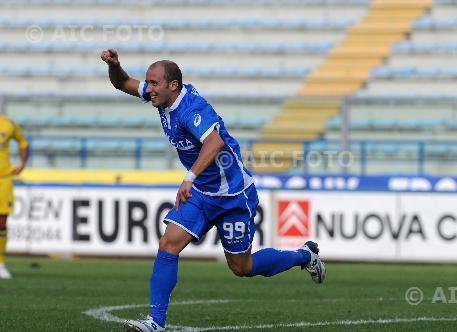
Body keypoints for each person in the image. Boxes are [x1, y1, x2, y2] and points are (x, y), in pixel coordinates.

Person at [100, 49, 326, 332]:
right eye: (149, 83)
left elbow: (215, 142)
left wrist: (189, 177)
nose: (149, 89)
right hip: (203, 194)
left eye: (154, 83)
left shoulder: (191, 109)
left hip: (233, 195)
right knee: (169, 244)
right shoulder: (162, 96)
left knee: (242, 267)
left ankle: (304, 255)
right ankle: (156, 322)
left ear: (174, 85)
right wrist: (115, 66)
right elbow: (123, 83)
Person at [0, 114, 29, 279]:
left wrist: (22, 164)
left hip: (3, 179)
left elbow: (23, 142)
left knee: (2, 221)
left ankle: (1, 263)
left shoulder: (8, 123)